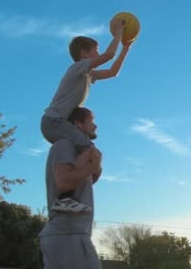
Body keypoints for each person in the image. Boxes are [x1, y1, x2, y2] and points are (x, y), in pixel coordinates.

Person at [41, 18, 132, 213]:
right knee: (89, 150)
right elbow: (108, 55)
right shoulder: (77, 68)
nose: (98, 55)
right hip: (53, 122)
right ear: (84, 53)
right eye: (94, 51)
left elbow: (113, 72)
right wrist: (118, 34)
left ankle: (69, 193)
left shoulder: (88, 75)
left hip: (56, 123)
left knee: (85, 152)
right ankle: (64, 198)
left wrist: (126, 47)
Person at [39, 107, 103, 269]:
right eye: (91, 121)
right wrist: (93, 165)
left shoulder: (75, 150)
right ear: (78, 124)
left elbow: (77, 183)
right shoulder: (64, 145)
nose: (95, 126)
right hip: (68, 234)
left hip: (71, 234)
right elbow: (64, 182)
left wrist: (94, 172)